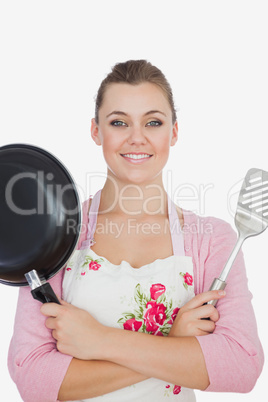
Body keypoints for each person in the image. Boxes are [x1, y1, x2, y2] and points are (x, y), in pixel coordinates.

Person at [8, 60, 264, 402]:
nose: (137, 138)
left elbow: (240, 366)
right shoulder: (55, 231)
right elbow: (33, 380)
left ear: (173, 131)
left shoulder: (212, 240)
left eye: (153, 122)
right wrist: (174, 346)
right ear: (96, 131)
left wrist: (100, 341)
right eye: (118, 122)